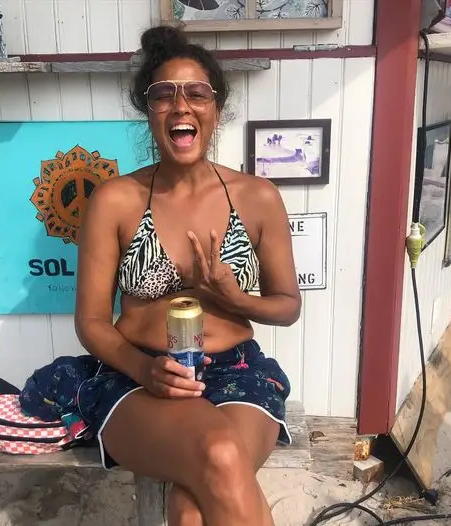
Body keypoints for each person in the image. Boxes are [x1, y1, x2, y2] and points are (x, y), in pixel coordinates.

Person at [75, 25, 301, 526]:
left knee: (190, 510)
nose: (181, 105)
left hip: (237, 372)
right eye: (164, 95)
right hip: (137, 377)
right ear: (148, 111)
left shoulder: (257, 197)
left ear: (216, 109)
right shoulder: (115, 200)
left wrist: (234, 298)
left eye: (197, 93)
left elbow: (287, 305)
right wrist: (144, 369)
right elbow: (90, 322)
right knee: (219, 454)